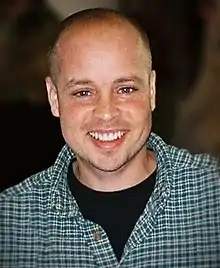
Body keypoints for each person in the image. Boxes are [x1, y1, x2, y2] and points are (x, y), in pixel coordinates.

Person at [0, 8, 220, 268]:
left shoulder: (212, 193)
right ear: (53, 97)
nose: (106, 112)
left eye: (125, 89)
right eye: (83, 92)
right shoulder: (10, 221)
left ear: (151, 90)